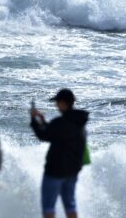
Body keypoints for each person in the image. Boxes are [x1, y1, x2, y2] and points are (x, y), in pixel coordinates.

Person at [30, 89, 89, 218]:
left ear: (63, 103)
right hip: (72, 170)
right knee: (70, 205)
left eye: (57, 102)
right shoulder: (80, 123)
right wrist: (43, 121)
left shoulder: (61, 122)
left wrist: (34, 120)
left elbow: (44, 135)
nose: (56, 105)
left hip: (55, 170)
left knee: (49, 207)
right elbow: (57, 134)